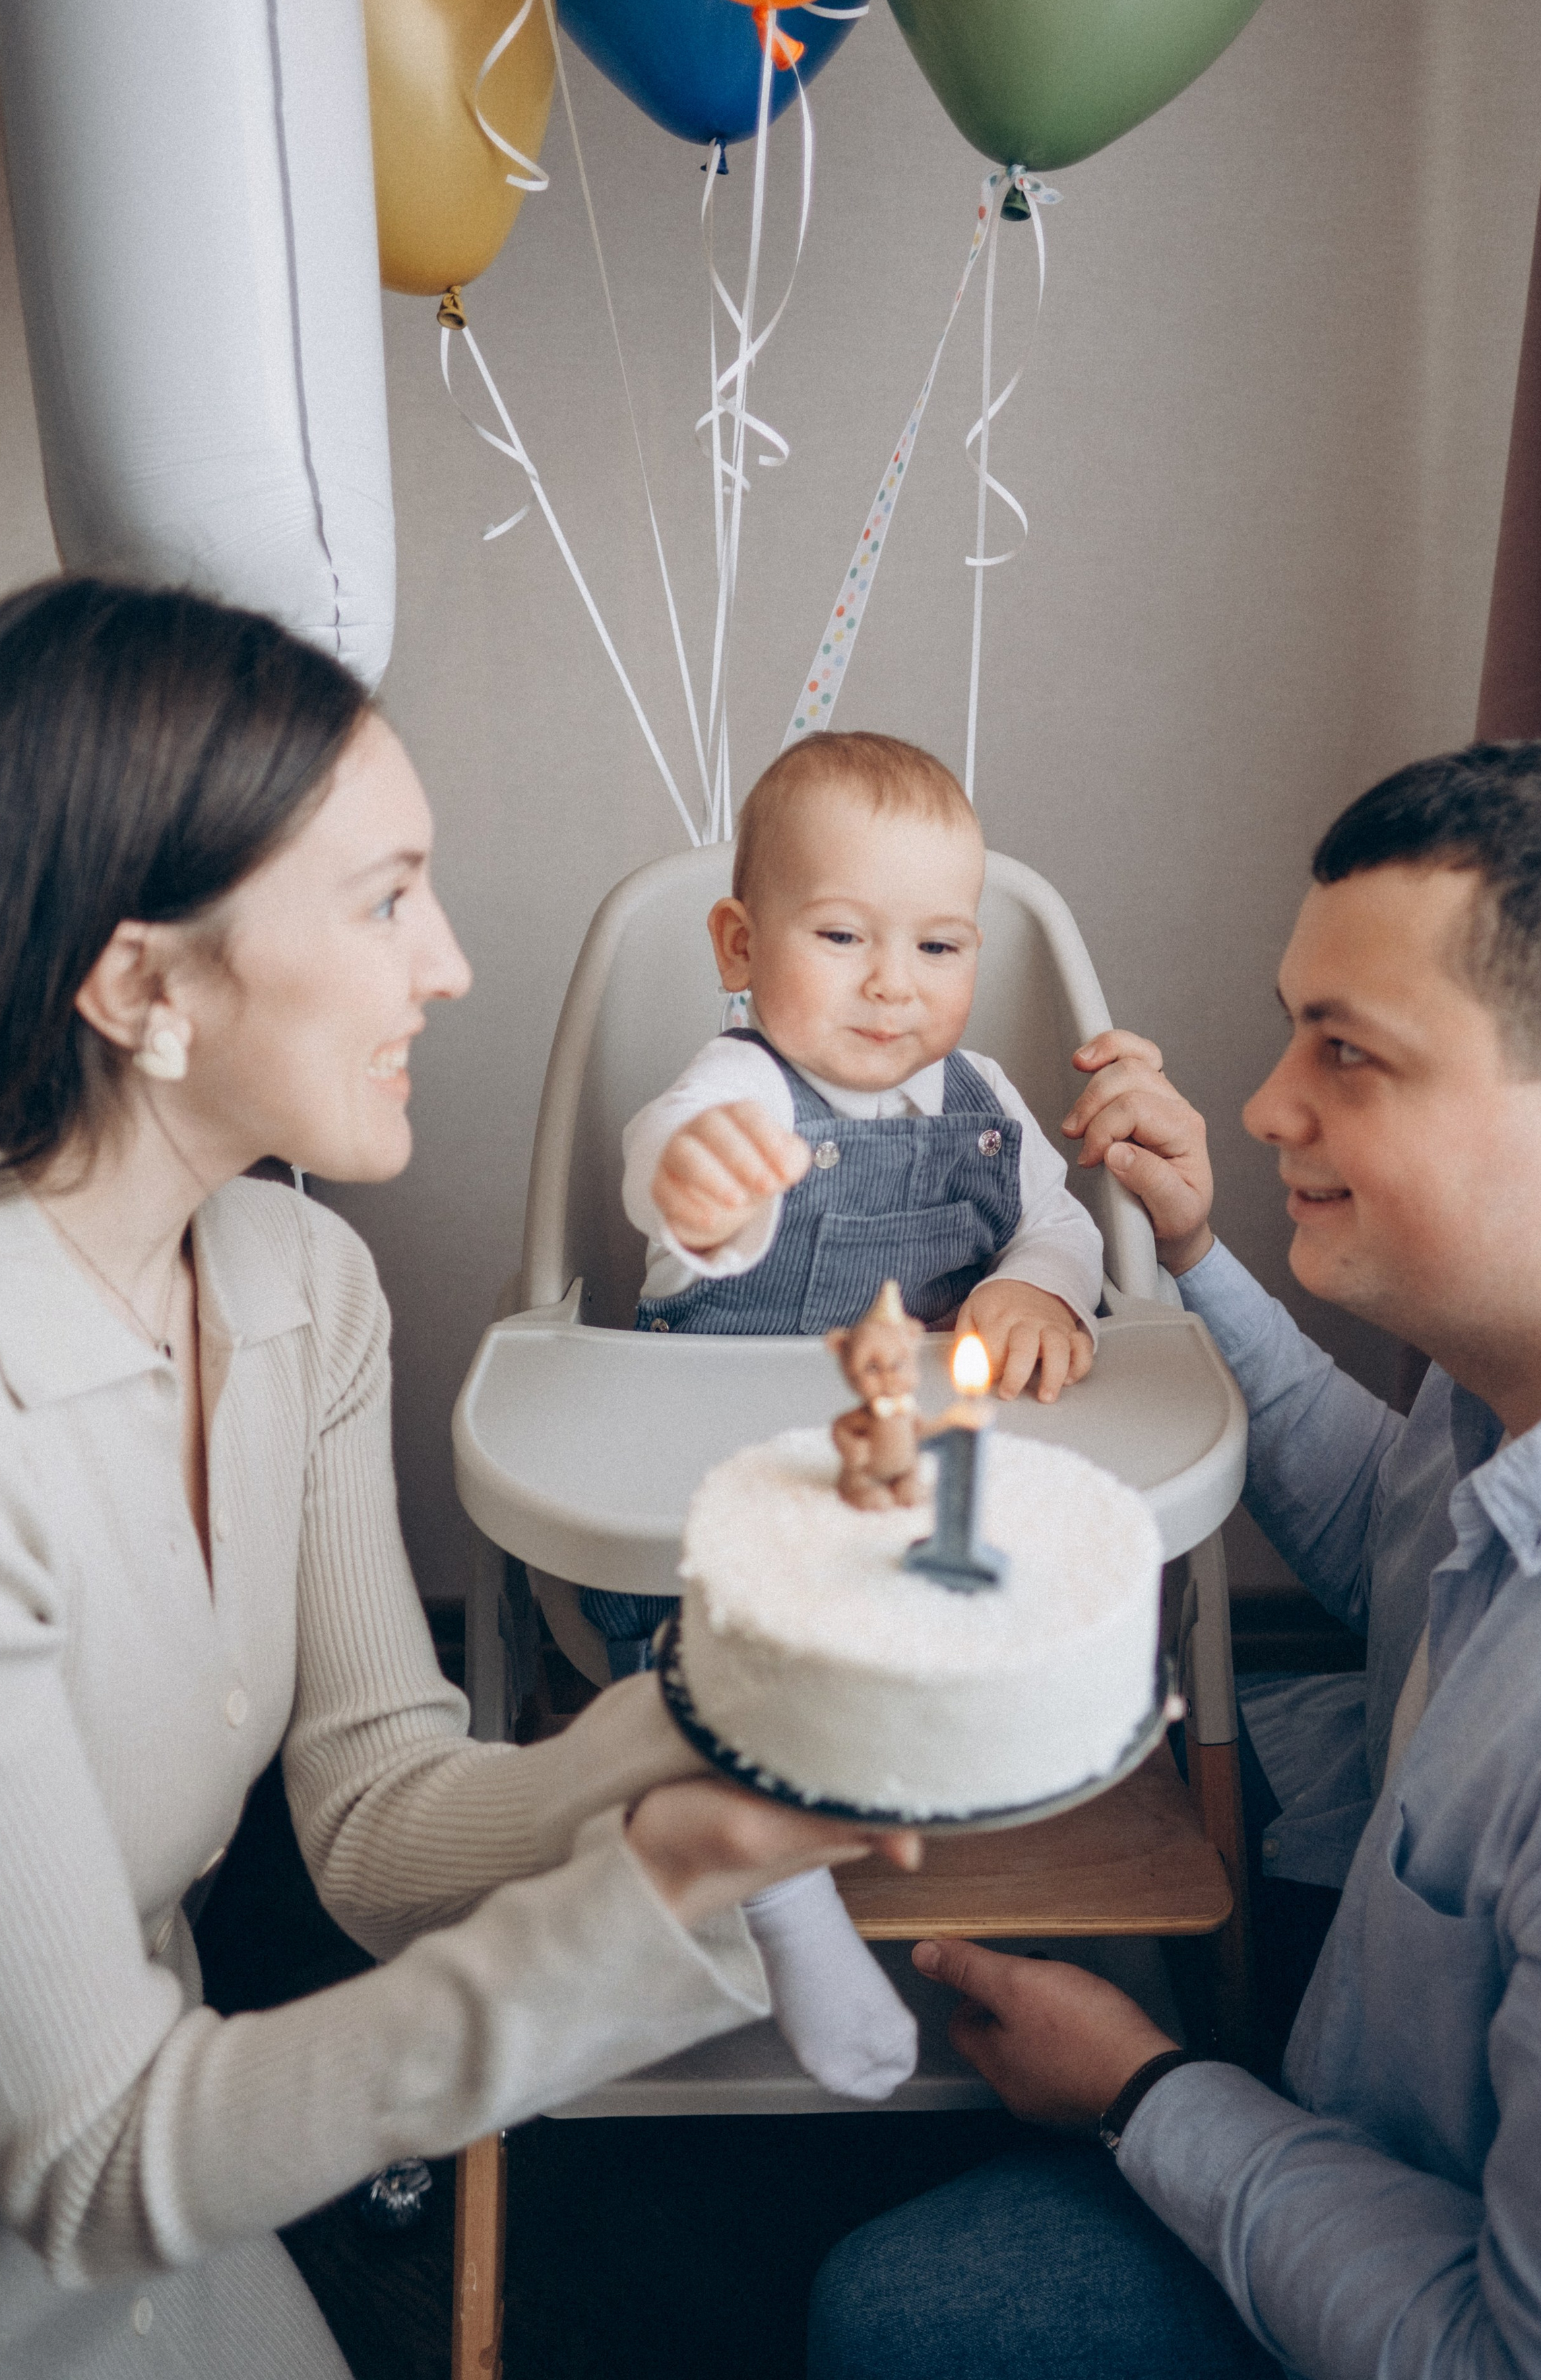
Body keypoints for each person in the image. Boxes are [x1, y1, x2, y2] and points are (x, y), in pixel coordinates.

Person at [0, 578, 920, 2380]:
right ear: (141, 980)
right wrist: (646, 1901)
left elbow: (381, 1818)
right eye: (388, 897)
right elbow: (84, 2161)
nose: (450, 960)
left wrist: (717, 1716)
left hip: (184, 2213)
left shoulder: (296, 1286)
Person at [809, 740, 1541, 2380]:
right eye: (1292, 1030)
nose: (1269, 1103)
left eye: (1346, 1056)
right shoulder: (1526, 1383)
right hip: (1364, 2049)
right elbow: (1384, 1552)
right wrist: (1191, 1253)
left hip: (1435, 2271)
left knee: (906, 2311)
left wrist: (1146, 2093)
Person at [581, 731, 1105, 2103]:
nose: (893, 983)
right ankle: (783, 1899)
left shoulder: (984, 1102)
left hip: (917, 1474)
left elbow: (1058, 1226)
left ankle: (915, 1771)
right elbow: (669, 1146)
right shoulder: (742, 1092)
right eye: (842, 934)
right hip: (744, 1481)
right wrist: (692, 1186)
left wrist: (1035, 1288)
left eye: (939, 947)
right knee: (716, 1658)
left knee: (1023, 1591)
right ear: (739, 942)